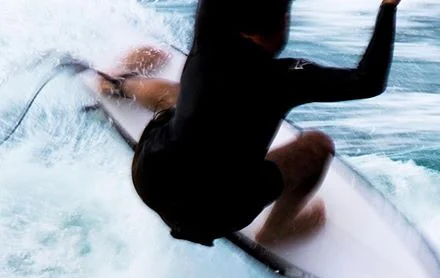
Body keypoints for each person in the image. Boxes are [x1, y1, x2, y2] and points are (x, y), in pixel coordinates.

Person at [100, 0, 401, 246]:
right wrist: (388, 7)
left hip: (152, 179)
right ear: (284, 22)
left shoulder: (208, 39)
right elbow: (368, 81)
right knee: (317, 148)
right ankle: (276, 231)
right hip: (218, 216)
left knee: (182, 99)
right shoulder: (287, 79)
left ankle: (117, 85)